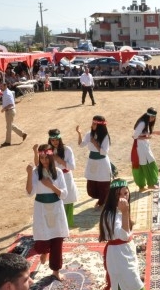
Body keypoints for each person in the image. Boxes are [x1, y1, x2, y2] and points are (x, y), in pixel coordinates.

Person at [99, 179, 145, 290]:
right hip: (118, 256)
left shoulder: (120, 210)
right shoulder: (111, 215)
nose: (123, 197)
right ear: (112, 196)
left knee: (127, 289)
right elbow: (124, 236)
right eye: (119, 195)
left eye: (126, 193)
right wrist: (125, 212)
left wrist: (125, 212)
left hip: (125, 252)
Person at [27, 144, 69, 281]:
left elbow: (64, 194)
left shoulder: (58, 172)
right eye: (41, 158)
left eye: (46, 158)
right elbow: (29, 192)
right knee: (42, 239)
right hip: (41, 208)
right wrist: (28, 174)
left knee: (57, 238)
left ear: (51, 158)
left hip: (56, 208)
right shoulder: (35, 172)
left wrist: (51, 185)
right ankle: (44, 251)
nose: (44, 161)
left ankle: (56, 270)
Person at [39, 129, 79, 228]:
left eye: (56, 139)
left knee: (68, 200)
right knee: (56, 202)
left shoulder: (67, 149)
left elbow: (72, 166)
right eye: (52, 140)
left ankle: (68, 224)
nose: (55, 142)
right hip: (54, 177)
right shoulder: (48, 151)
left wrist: (59, 159)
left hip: (66, 177)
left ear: (60, 139)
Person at [77, 115, 112, 209]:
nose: (92, 125)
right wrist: (79, 133)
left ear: (99, 125)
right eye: (92, 122)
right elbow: (81, 145)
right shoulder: (89, 134)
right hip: (92, 161)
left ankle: (102, 202)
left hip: (102, 162)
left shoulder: (105, 137)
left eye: (94, 123)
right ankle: (100, 200)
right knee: (92, 185)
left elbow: (104, 152)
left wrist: (95, 143)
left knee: (103, 183)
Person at [131, 107, 160, 191]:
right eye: (152, 117)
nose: (153, 119)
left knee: (143, 165)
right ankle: (150, 184)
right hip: (141, 148)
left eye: (154, 117)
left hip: (143, 147)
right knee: (148, 164)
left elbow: (143, 133)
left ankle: (142, 186)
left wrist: (154, 133)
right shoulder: (142, 123)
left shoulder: (146, 122)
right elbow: (134, 136)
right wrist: (146, 137)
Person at [0, 82, 27, 147]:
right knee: (9, 126)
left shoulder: (7, 93)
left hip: (9, 111)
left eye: (1, 86)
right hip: (10, 111)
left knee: (9, 127)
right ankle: (22, 134)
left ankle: (7, 141)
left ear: (5, 86)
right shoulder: (7, 92)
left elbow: (11, 104)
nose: (0, 87)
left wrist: (4, 109)